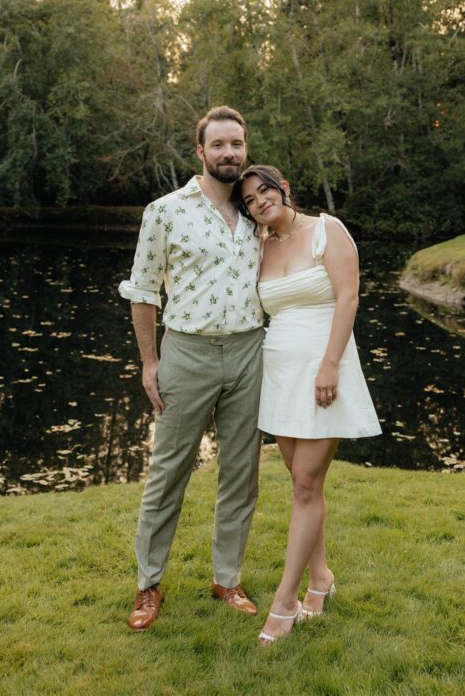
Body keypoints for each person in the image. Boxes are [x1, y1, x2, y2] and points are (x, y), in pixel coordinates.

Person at [119, 106, 265, 631]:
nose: (230, 152)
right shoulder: (165, 211)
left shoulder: (256, 210)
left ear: (245, 149)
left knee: (241, 475)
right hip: (187, 352)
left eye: (237, 144)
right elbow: (141, 289)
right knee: (168, 472)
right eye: (219, 144)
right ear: (200, 152)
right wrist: (150, 361)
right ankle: (149, 584)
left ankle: (227, 579)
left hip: (250, 352)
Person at [234, 165, 381, 645]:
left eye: (265, 192)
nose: (259, 202)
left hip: (322, 369)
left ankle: (284, 601)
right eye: (250, 200)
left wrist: (330, 365)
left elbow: (348, 298)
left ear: (284, 190)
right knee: (304, 486)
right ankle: (322, 578)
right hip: (278, 373)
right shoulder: (259, 247)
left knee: (304, 484)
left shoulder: (326, 230)